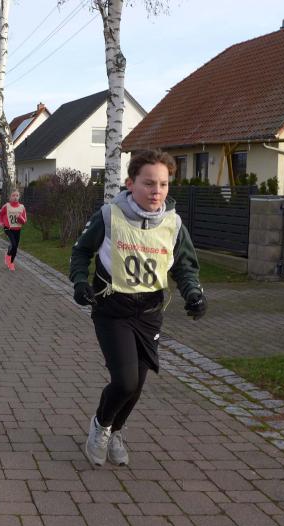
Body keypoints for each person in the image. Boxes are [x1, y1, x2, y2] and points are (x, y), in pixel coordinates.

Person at [69, 149, 206, 467]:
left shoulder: (173, 224)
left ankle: (116, 430)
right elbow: (81, 251)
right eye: (149, 183)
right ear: (130, 183)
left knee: (137, 386)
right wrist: (79, 282)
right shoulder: (109, 215)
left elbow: (185, 266)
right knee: (125, 381)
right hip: (112, 309)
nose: (156, 191)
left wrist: (194, 294)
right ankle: (100, 426)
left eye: (163, 184)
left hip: (149, 313)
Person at [0, 189, 27, 271]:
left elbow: (24, 220)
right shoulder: (6, 206)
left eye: (17, 195)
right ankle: (9, 259)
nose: (15, 197)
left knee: (15, 247)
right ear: (10, 197)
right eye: (13, 195)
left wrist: (20, 219)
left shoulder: (22, 207)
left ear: (19, 197)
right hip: (8, 228)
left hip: (17, 229)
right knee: (13, 244)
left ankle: (11, 262)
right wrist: (0, 222)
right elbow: (0, 214)